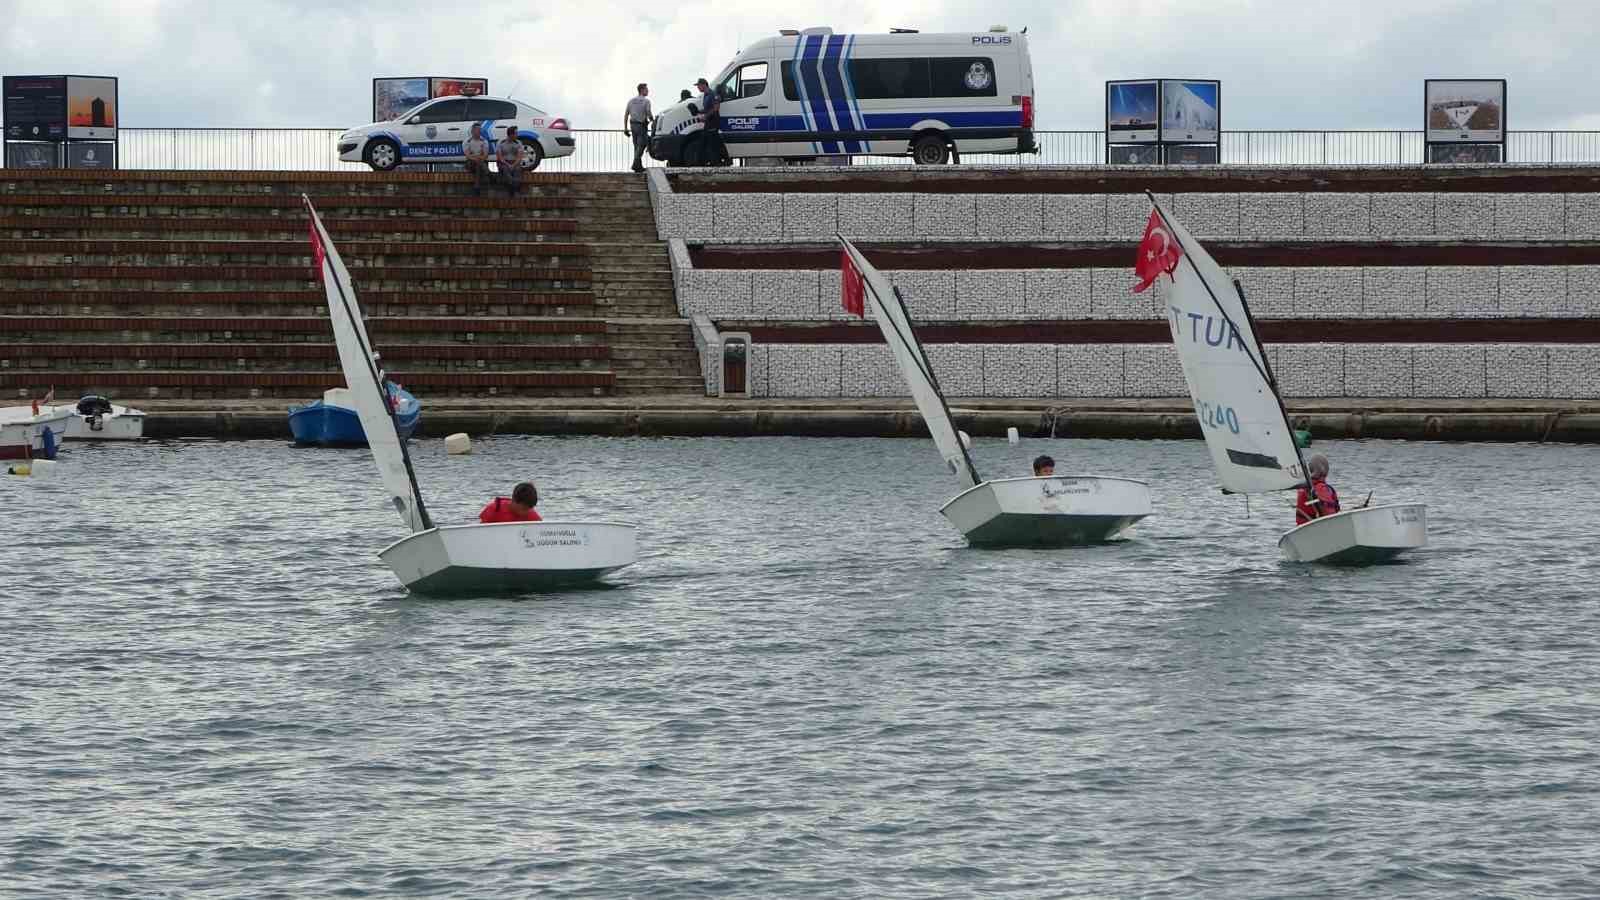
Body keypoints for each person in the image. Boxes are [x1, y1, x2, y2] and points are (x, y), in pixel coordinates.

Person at [1294, 454, 1341, 525]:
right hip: (1321, 529)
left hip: (1304, 529)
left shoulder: (1303, 488)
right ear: (1325, 470)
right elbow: (1331, 517)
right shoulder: (1321, 489)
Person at [695, 77, 726, 166]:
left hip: (713, 121)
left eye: (699, 85)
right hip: (708, 122)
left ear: (704, 84)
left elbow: (716, 108)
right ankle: (713, 161)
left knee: (713, 142)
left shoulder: (712, 94)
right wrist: (698, 111)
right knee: (708, 141)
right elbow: (707, 109)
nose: (698, 88)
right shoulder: (705, 95)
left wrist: (706, 116)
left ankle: (716, 162)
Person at [624, 83, 653, 173]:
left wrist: (625, 128)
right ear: (642, 90)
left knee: (636, 146)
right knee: (642, 144)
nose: (648, 91)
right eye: (646, 89)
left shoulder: (631, 101)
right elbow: (648, 112)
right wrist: (652, 119)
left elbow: (626, 114)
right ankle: (635, 163)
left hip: (632, 125)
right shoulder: (646, 101)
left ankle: (638, 167)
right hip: (641, 125)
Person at [496, 126, 526, 197]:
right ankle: (514, 187)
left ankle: (512, 188)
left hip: (515, 162)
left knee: (517, 170)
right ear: (511, 135)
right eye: (515, 133)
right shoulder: (501, 142)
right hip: (503, 162)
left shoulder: (518, 143)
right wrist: (507, 164)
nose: (517, 135)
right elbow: (499, 157)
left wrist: (513, 165)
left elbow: (519, 157)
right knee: (506, 170)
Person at [462, 123, 491, 195]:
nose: (479, 131)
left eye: (479, 130)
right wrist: (477, 158)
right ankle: (488, 173)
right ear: (472, 131)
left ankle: (476, 188)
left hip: (480, 162)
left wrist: (476, 157)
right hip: (470, 163)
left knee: (478, 166)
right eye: (477, 130)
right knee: (477, 164)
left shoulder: (484, 141)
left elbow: (485, 155)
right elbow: (468, 155)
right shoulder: (467, 141)